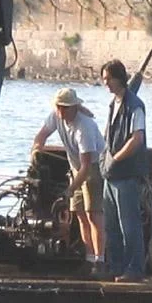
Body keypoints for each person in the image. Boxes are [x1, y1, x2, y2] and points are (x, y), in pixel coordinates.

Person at [31, 87, 106, 265]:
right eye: (59, 107)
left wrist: (70, 189)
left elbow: (87, 165)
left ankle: (100, 259)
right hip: (76, 168)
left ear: (74, 107)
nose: (61, 111)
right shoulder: (56, 116)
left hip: (94, 168)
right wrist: (36, 150)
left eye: (65, 107)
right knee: (79, 214)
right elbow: (40, 136)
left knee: (93, 214)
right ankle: (89, 258)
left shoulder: (84, 127)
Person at [99, 59, 148, 281]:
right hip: (110, 175)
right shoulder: (114, 104)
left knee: (130, 225)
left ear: (119, 78)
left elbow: (137, 139)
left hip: (126, 174)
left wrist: (116, 159)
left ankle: (134, 269)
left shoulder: (134, 106)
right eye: (104, 79)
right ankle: (116, 266)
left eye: (108, 79)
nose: (105, 83)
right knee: (111, 225)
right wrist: (105, 161)